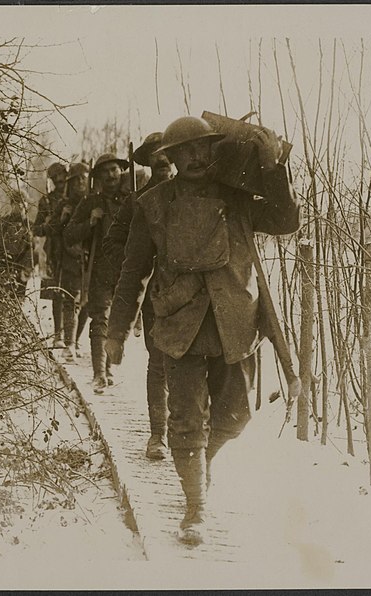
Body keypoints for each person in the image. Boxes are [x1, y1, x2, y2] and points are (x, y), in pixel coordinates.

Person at [105, 116, 299, 546]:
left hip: (236, 324)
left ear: (213, 150)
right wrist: (116, 331)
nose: (195, 156)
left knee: (235, 418)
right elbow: (133, 271)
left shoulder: (239, 198)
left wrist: (271, 167)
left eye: (202, 148)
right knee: (187, 421)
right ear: (170, 158)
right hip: (180, 327)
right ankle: (195, 505)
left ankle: (203, 462)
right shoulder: (152, 205)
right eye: (184, 150)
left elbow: (286, 221)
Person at [103, 132, 173, 460]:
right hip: (155, 293)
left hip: (194, 296)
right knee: (159, 362)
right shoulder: (137, 202)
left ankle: (188, 436)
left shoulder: (190, 197)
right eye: (157, 156)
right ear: (148, 161)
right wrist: (138, 256)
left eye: (170, 154)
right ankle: (158, 434)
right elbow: (114, 243)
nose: (165, 162)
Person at [64, 152, 131, 394]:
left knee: (118, 322)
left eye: (114, 170)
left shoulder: (131, 201)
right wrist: (90, 224)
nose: (111, 175)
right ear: (99, 177)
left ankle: (109, 368)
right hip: (101, 269)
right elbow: (69, 234)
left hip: (128, 271)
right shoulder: (91, 203)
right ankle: (99, 374)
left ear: (121, 172)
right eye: (105, 171)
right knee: (101, 319)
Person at [44, 162, 91, 361]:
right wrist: (62, 219)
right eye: (76, 179)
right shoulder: (64, 204)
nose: (81, 182)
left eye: (84, 177)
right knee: (70, 300)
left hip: (91, 258)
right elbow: (49, 229)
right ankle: (68, 343)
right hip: (68, 257)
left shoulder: (95, 201)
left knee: (87, 303)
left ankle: (76, 340)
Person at [34, 162, 68, 347]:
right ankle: (58, 335)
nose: (61, 182)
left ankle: (72, 337)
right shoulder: (46, 201)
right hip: (55, 250)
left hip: (75, 247)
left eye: (63, 178)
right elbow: (37, 229)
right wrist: (49, 225)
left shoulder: (76, 197)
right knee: (57, 292)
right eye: (58, 180)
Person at [0, 189, 36, 300]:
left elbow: (32, 250)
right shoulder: (2, 222)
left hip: (20, 270)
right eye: (16, 202)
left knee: (17, 302)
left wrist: (26, 270)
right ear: (12, 204)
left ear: (26, 205)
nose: (20, 205)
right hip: (1, 267)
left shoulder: (30, 226)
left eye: (23, 202)